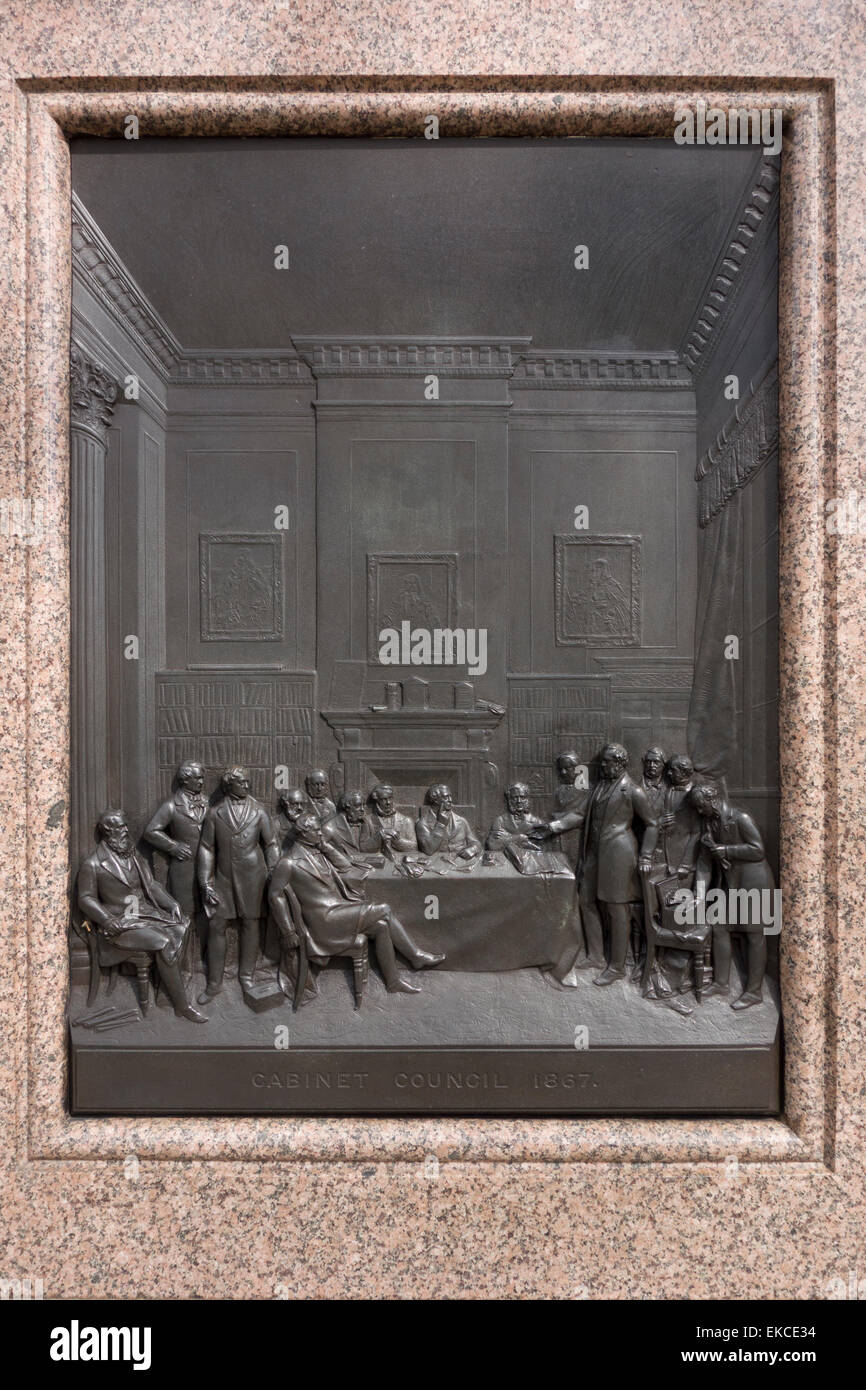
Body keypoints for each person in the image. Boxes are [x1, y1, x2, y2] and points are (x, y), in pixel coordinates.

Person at [268, 812, 444, 994]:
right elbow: (275, 895)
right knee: (384, 909)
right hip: (324, 921)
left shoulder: (318, 850)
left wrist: (325, 846)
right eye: (316, 831)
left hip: (337, 910)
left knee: (381, 926)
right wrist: (288, 931)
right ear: (304, 834)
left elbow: (345, 866)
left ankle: (393, 981)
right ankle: (415, 956)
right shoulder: (288, 862)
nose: (321, 834)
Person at [77, 809, 207, 1022]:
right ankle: (182, 1006)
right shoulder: (92, 864)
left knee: (182, 925)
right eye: (121, 827)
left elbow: (152, 886)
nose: (126, 830)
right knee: (164, 942)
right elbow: (85, 898)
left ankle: (167, 990)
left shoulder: (134, 855)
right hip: (120, 924)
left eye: (126, 825)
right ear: (108, 832)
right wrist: (107, 920)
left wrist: (171, 903)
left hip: (144, 914)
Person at [546, 743, 657, 985]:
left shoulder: (633, 791)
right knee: (586, 901)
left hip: (619, 856)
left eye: (607, 762)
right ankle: (596, 956)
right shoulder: (598, 788)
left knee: (617, 909)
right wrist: (553, 826)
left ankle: (616, 966)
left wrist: (646, 856)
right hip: (594, 854)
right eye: (603, 761)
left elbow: (652, 824)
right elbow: (580, 815)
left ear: (620, 763)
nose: (602, 765)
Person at [196, 766, 279, 1003]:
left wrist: (274, 869)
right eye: (241, 782)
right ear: (228, 785)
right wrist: (205, 881)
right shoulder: (215, 813)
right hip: (223, 878)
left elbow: (271, 843)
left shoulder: (259, 811)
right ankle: (214, 983)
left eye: (247, 782)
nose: (246, 785)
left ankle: (247, 977)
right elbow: (206, 848)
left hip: (253, 877)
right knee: (217, 925)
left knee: (250, 925)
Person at [690, 782, 775, 1010]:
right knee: (719, 927)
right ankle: (721, 983)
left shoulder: (741, 818)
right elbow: (704, 862)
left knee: (754, 934)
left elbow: (758, 850)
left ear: (712, 800)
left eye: (701, 806)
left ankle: (754, 992)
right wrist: (699, 895)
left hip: (754, 882)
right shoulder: (709, 823)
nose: (699, 811)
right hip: (731, 883)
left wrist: (727, 850)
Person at [143, 760, 208, 974]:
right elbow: (151, 831)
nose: (201, 781)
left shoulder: (207, 802)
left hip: (209, 868)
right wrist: (173, 846)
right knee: (184, 915)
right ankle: (182, 963)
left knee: (206, 914)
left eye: (201, 777)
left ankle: (202, 959)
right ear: (184, 780)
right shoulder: (172, 805)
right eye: (197, 777)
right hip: (184, 870)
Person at [415, 784, 481, 858]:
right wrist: (440, 825)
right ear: (435, 800)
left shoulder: (461, 821)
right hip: (437, 864)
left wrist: (473, 849)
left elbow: (475, 842)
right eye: (446, 797)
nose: (450, 800)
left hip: (462, 862)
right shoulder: (423, 824)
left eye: (450, 796)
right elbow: (428, 850)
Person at [486, 782, 547, 850]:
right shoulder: (500, 821)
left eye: (522, 797)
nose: (519, 801)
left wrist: (508, 838)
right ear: (509, 800)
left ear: (527, 799)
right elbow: (492, 845)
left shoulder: (537, 822)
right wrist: (519, 838)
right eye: (515, 797)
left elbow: (540, 848)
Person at [322, 790, 377, 862]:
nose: (362, 810)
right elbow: (319, 853)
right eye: (358, 806)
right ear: (347, 807)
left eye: (363, 805)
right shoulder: (329, 828)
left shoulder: (366, 822)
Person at [366, 783, 417, 853]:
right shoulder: (368, 820)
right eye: (384, 799)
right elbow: (363, 847)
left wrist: (397, 841)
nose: (388, 802)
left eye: (390, 798)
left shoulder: (406, 821)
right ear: (377, 799)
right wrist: (381, 834)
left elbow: (414, 846)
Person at [275, 788, 307, 854]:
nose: (300, 808)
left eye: (301, 804)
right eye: (295, 804)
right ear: (285, 804)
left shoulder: (308, 823)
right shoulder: (275, 825)